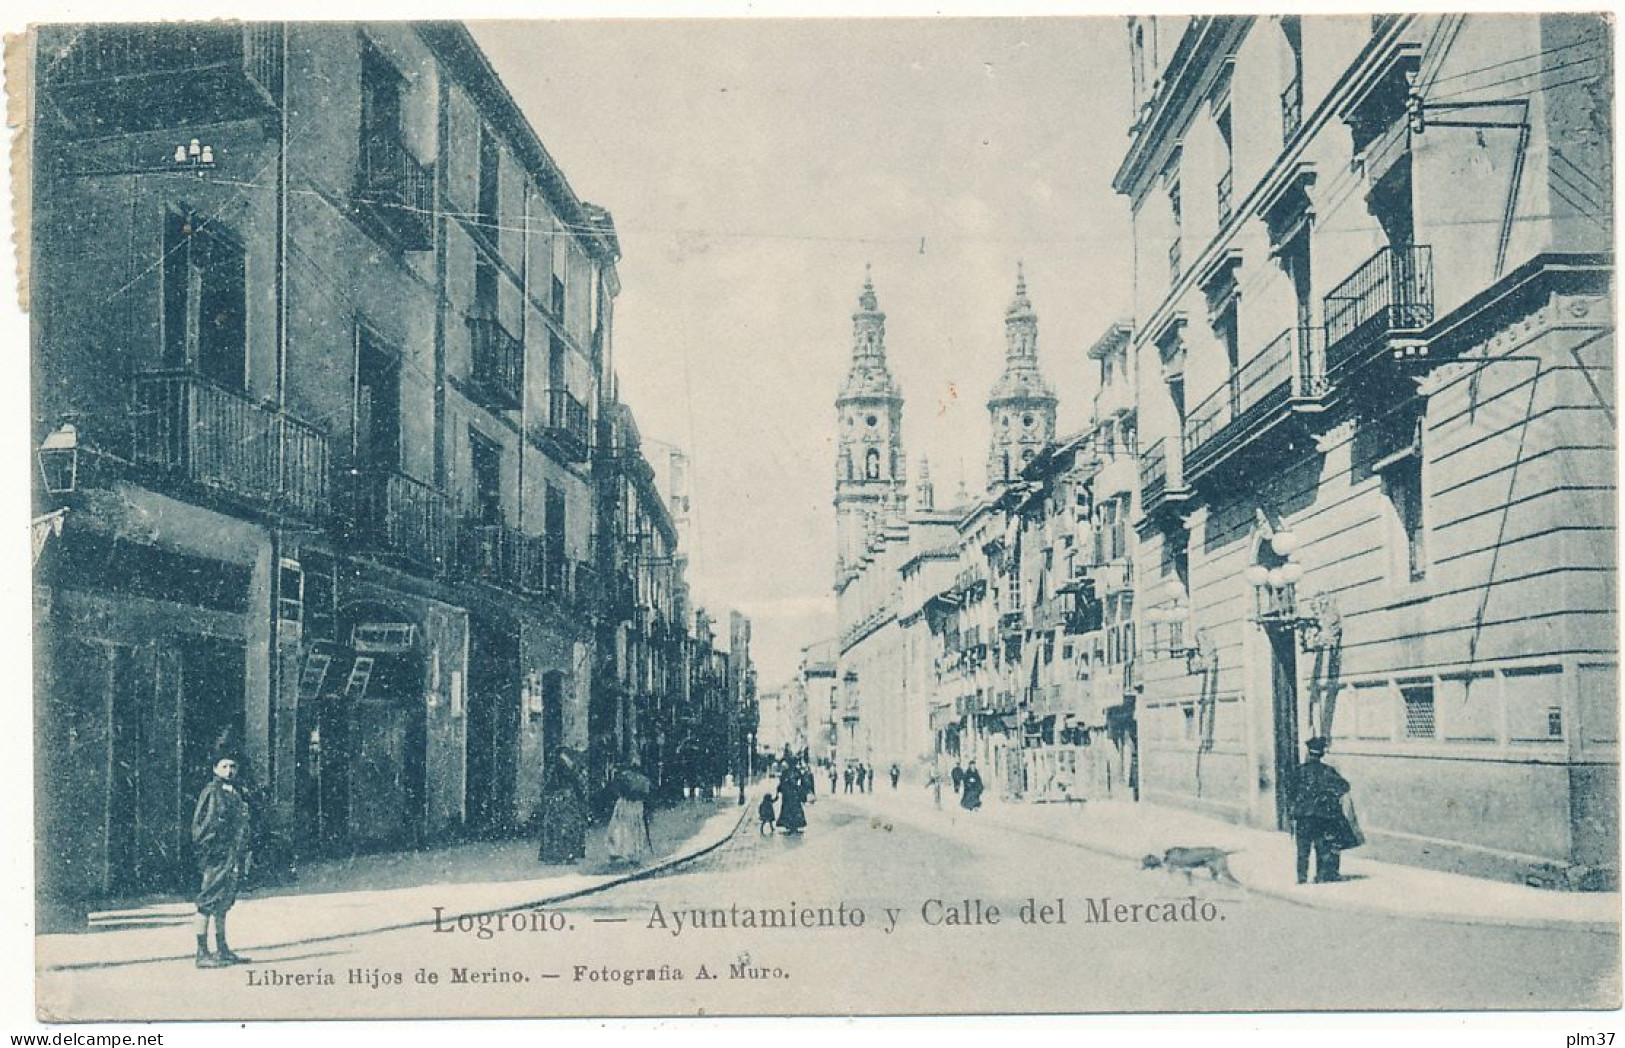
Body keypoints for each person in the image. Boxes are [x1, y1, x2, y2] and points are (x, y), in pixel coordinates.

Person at [191, 755, 254, 968]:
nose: (229, 770)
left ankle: (222, 949)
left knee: (224, 901)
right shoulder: (213, 792)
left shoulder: (233, 791)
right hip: (218, 855)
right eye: (224, 766)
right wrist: (212, 854)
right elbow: (205, 826)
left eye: (233, 766)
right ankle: (202, 952)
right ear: (215, 768)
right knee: (208, 900)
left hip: (232, 854)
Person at [1291, 737, 1354, 884]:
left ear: (1308, 753)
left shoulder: (1299, 771)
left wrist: (1297, 805)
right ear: (1321, 755)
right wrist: (1330, 797)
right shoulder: (1328, 771)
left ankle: (1301, 878)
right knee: (1321, 847)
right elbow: (1344, 786)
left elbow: (1290, 790)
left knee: (1303, 848)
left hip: (1303, 816)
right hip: (1321, 816)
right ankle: (1320, 876)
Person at [536, 749, 589, 864]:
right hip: (564, 798)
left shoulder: (559, 763)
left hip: (561, 798)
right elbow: (572, 779)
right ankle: (565, 854)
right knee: (567, 826)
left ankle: (557, 855)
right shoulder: (563, 763)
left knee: (561, 826)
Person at [606, 762, 654, 866]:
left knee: (622, 828)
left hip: (626, 804)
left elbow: (615, 789)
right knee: (632, 829)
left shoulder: (624, 777)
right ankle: (631, 853)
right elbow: (647, 795)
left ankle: (620, 852)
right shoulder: (643, 780)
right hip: (635, 805)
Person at [776, 762, 808, 834]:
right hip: (790, 795)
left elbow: (802, 782)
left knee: (791, 810)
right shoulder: (793, 772)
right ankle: (791, 826)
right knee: (791, 810)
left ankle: (792, 826)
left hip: (791, 795)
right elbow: (782, 782)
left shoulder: (790, 772)